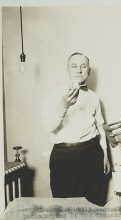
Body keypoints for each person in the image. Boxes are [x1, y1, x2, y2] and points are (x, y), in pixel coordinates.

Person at [42, 52, 110, 206]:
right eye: (74, 66)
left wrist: (106, 155)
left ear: (88, 71)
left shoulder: (93, 97)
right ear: (68, 70)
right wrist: (64, 105)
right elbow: (48, 127)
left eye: (83, 66)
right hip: (63, 156)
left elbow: (100, 125)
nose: (79, 70)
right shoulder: (53, 95)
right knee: (64, 208)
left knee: (94, 205)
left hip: (92, 154)